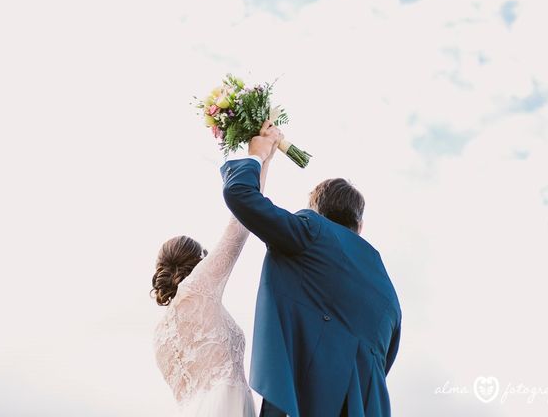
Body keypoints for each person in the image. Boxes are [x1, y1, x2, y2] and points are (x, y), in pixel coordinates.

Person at [222, 122, 402, 417]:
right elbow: (384, 363)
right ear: (360, 226)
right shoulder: (389, 294)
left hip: (307, 401)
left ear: (317, 212)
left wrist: (257, 154)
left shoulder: (312, 232)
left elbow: (239, 194)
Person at [151, 128, 279, 417]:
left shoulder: (158, 336)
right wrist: (260, 158)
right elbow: (239, 227)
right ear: (199, 261)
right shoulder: (198, 289)